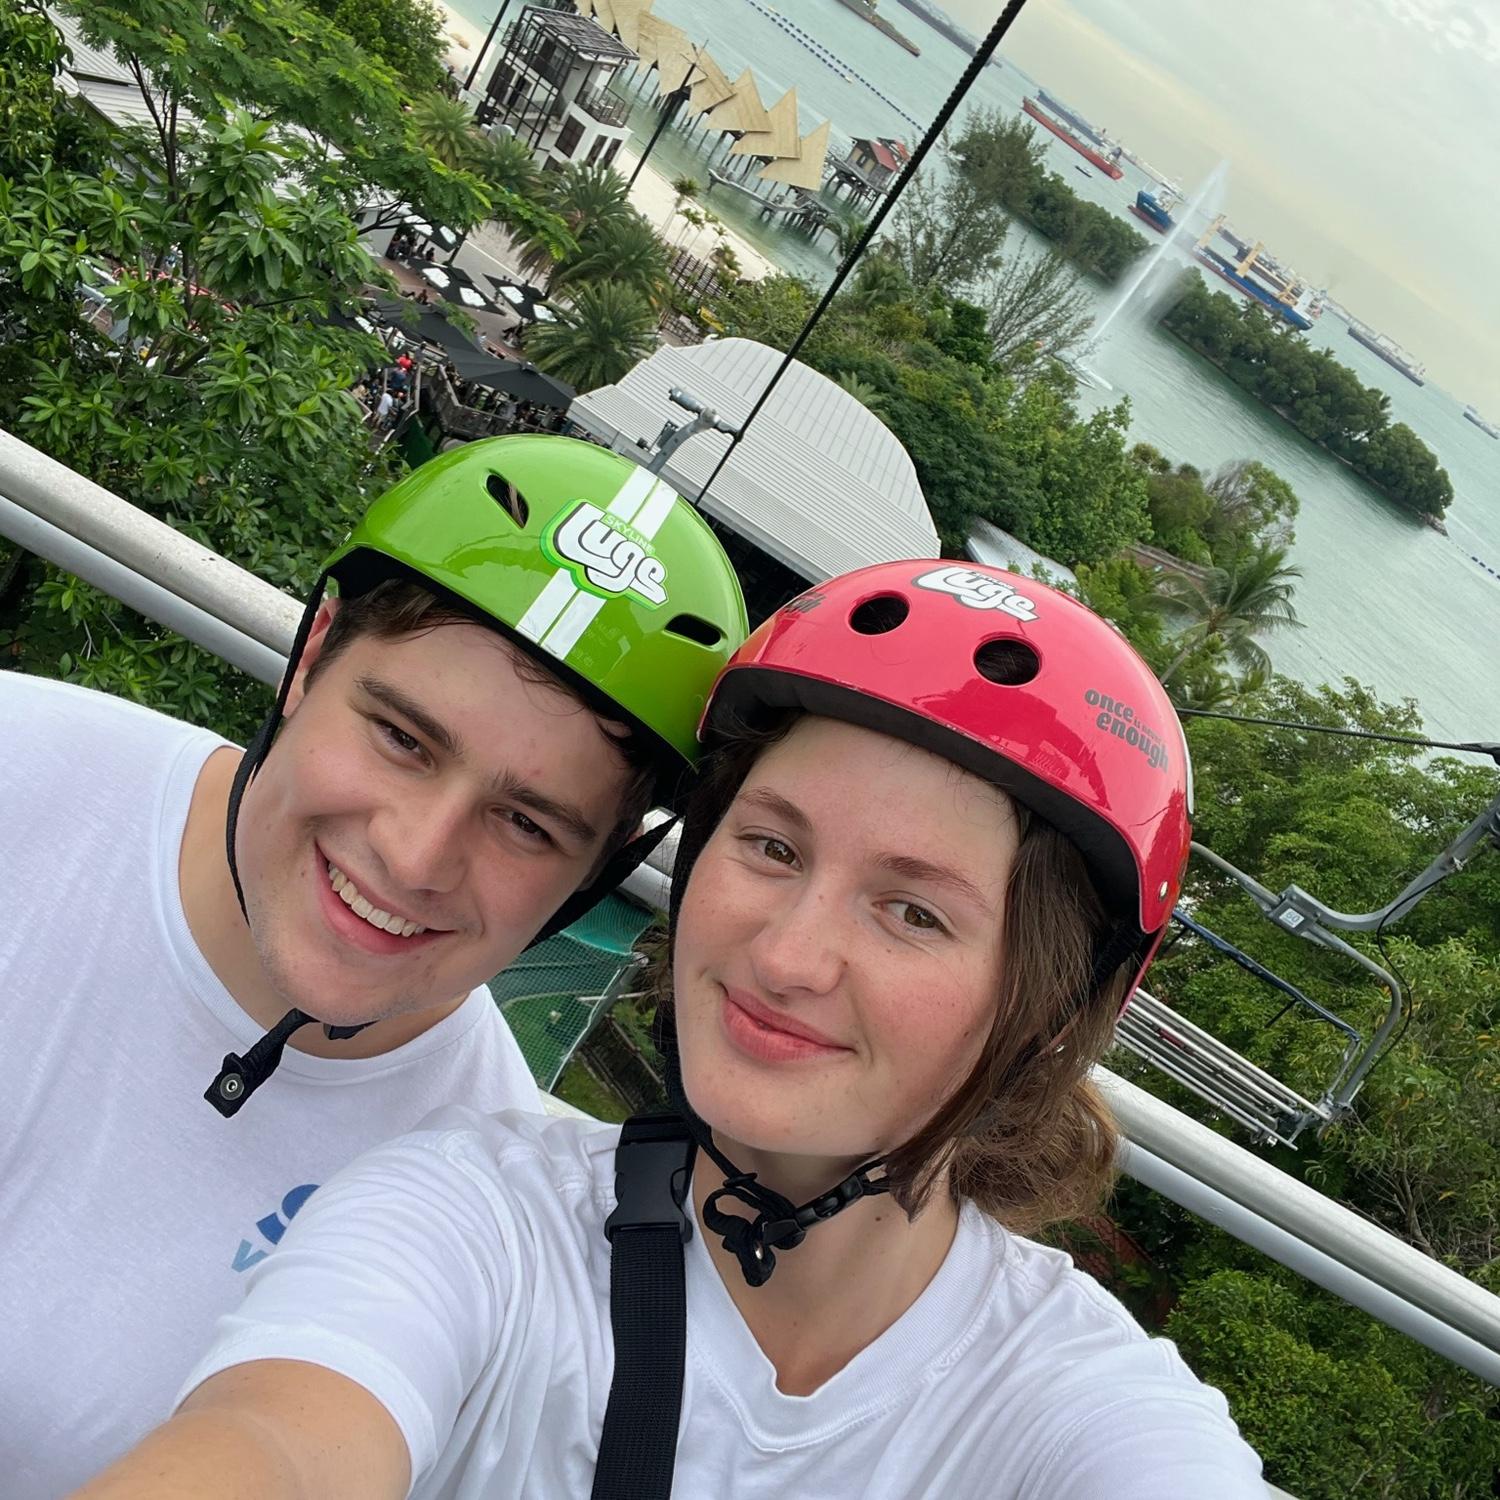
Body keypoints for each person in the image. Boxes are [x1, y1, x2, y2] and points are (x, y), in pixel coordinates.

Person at [78, 562, 1266, 1499]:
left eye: (912, 911)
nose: (789, 957)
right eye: (773, 847)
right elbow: (282, 1441)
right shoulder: (475, 1218)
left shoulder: (1068, 1405)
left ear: (1066, 1007)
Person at [2, 435, 748, 1496]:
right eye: (403, 738)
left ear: (597, 873)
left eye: (528, 824)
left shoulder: (482, 1202)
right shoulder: (18, 772)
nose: (415, 853)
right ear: (310, 659)